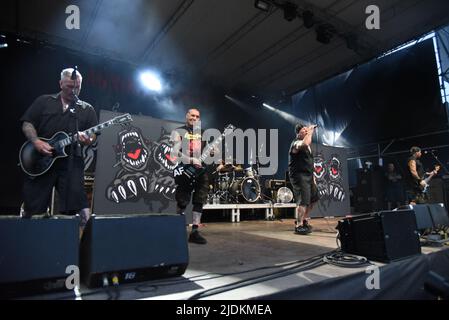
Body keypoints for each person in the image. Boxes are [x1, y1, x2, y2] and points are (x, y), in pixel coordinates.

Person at [20, 68, 98, 233]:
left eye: (77, 87)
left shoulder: (86, 109)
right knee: (33, 208)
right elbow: (27, 123)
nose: (73, 90)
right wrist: (36, 141)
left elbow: (93, 137)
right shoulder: (44, 101)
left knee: (77, 210)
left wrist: (87, 139)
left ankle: (71, 248)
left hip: (71, 163)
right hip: (41, 160)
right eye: (69, 86)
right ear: (60, 83)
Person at [171, 108, 210, 244]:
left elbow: (208, 151)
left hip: (201, 170)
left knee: (200, 199)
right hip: (185, 170)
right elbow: (175, 152)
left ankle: (195, 231)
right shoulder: (178, 131)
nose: (194, 118)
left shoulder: (203, 133)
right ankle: (177, 229)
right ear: (187, 115)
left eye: (197, 116)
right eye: (192, 115)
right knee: (182, 200)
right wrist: (190, 160)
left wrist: (213, 152)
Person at [288, 123, 319, 235]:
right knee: (303, 200)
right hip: (299, 176)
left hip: (309, 176)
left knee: (313, 199)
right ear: (298, 133)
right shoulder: (295, 143)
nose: (306, 132)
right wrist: (310, 132)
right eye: (304, 131)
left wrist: (313, 178)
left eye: (307, 130)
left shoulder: (307, 145)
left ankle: (304, 219)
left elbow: (309, 163)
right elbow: (305, 143)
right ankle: (299, 224)